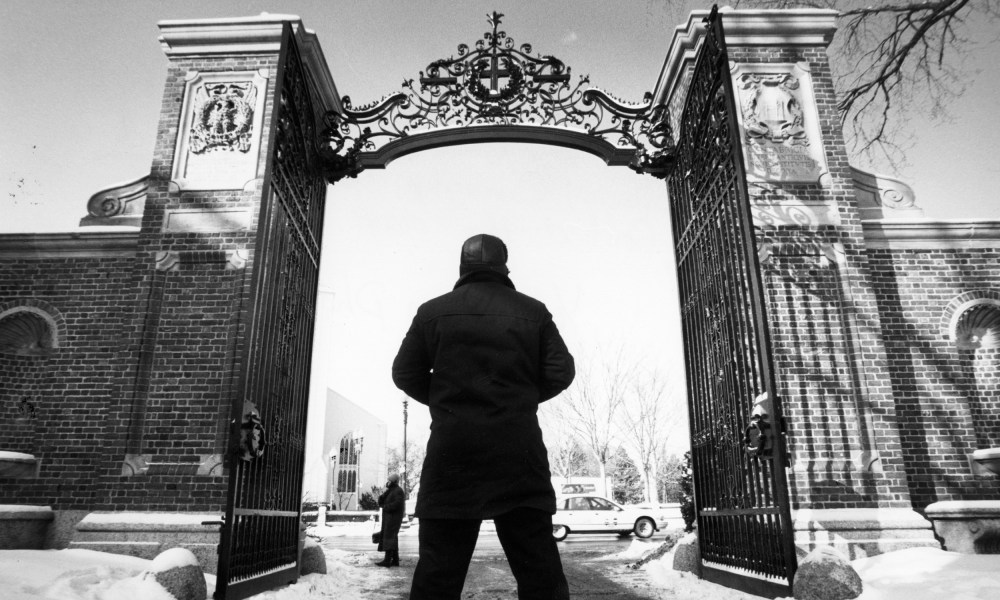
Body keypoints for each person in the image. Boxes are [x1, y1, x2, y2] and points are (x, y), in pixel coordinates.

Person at [392, 233, 575, 600]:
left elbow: (404, 373)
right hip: (517, 453)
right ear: (504, 267)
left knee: (438, 575)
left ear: (462, 267)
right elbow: (560, 371)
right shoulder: (534, 311)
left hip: (452, 455)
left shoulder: (431, 311)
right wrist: (519, 399)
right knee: (539, 573)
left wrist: (447, 402)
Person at [375, 472, 406, 567]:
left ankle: (387, 560)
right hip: (390, 518)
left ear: (394, 481)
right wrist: (384, 493)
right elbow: (381, 502)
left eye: (389, 481)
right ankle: (395, 560)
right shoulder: (391, 490)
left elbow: (397, 504)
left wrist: (386, 507)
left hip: (393, 519)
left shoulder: (398, 491)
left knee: (389, 538)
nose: (387, 482)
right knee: (392, 538)